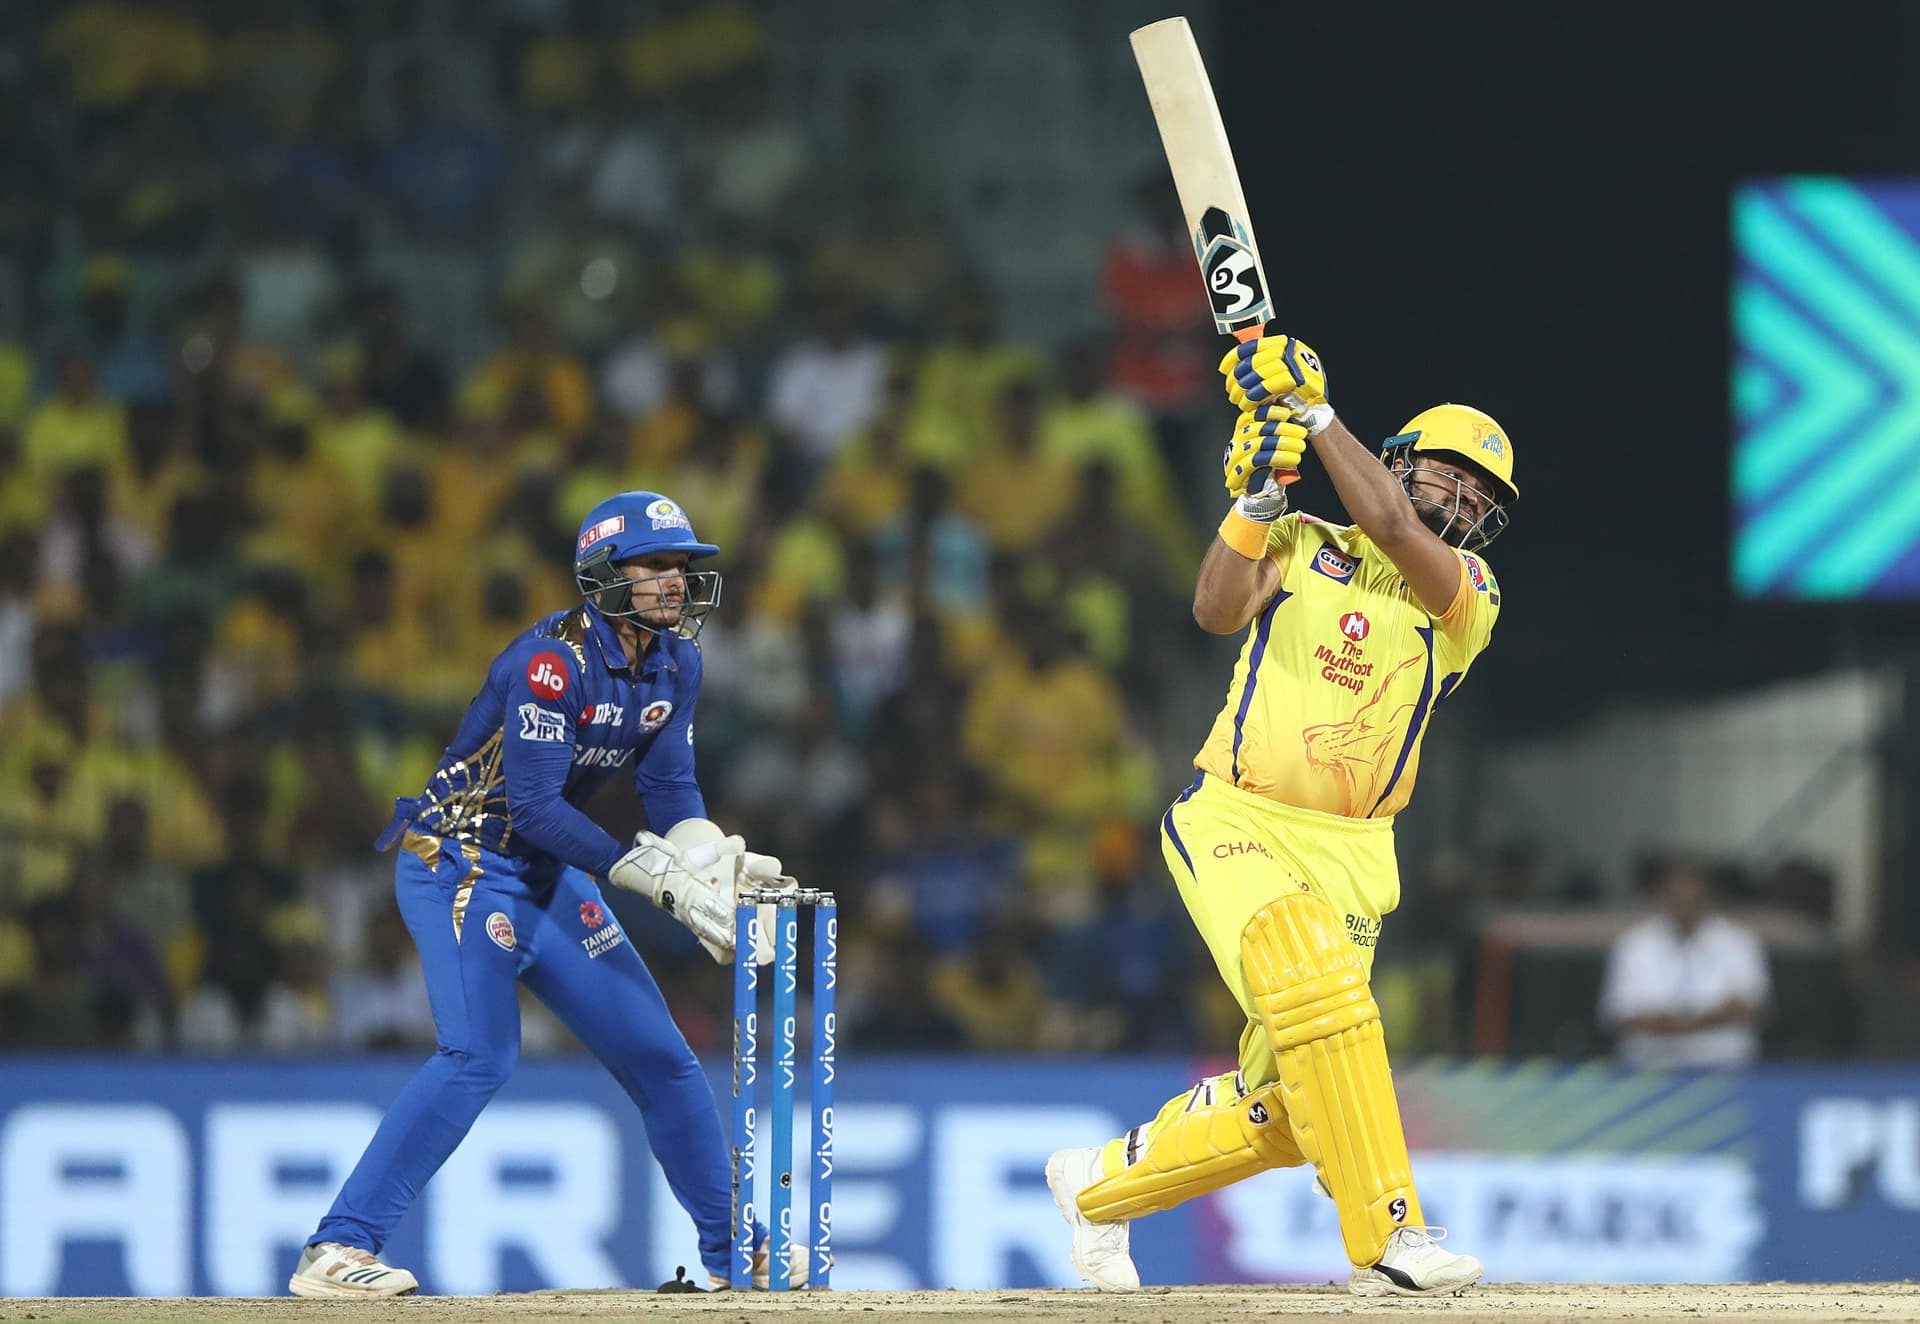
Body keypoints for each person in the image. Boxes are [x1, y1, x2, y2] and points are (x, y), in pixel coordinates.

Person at [1046, 330, 1518, 1297]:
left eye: (1482, 501)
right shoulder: (1307, 544)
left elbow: (1392, 530)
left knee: (1298, 1107)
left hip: (1355, 853)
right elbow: (1216, 611)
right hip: (1237, 819)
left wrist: (1313, 413)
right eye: (1449, 478)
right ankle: (1390, 1239)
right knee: (1326, 997)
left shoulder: (1469, 594)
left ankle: (1096, 1188)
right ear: (1395, 461)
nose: (1462, 505)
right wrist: (1257, 504)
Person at [289, 491, 800, 1297]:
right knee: (480, 1055)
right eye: (656, 565)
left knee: (662, 1058)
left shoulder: (679, 663)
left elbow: (670, 788)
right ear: (603, 575)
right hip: (460, 861)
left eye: (683, 566)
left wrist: (711, 864)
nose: (676, 582)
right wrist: (646, 875)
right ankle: (336, 1250)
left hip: (544, 874)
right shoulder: (549, 663)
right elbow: (531, 807)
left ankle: (739, 1252)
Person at [1599, 858, 1770, 1067]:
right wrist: (1705, 1019)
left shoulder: (1739, 942)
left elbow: (1750, 1005)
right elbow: (1623, 1013)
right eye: (1676, 892)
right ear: (1662, 894)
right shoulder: (1633, 944)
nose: (1684, 898)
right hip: (1650, 1065)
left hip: (1725, 1063)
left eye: (1692, 891)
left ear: (1708, 894)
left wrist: (1675, 1023)